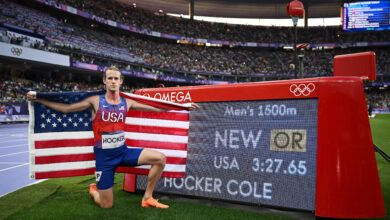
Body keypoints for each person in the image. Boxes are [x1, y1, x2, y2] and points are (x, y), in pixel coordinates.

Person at [27, 66, 198, 209]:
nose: (113, 81)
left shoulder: (127, 102)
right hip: (105, 159)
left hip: (123, 152)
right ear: (104, 81)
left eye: (116, 78)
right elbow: (66, 108)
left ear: (121, 82)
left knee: (160, 159)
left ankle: (147, 197)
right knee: (106, 205)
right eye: (110, 78)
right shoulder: (95, 101)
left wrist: (182, 106)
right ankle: (94, 190)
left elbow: (156, 108)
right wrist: (39, 99)